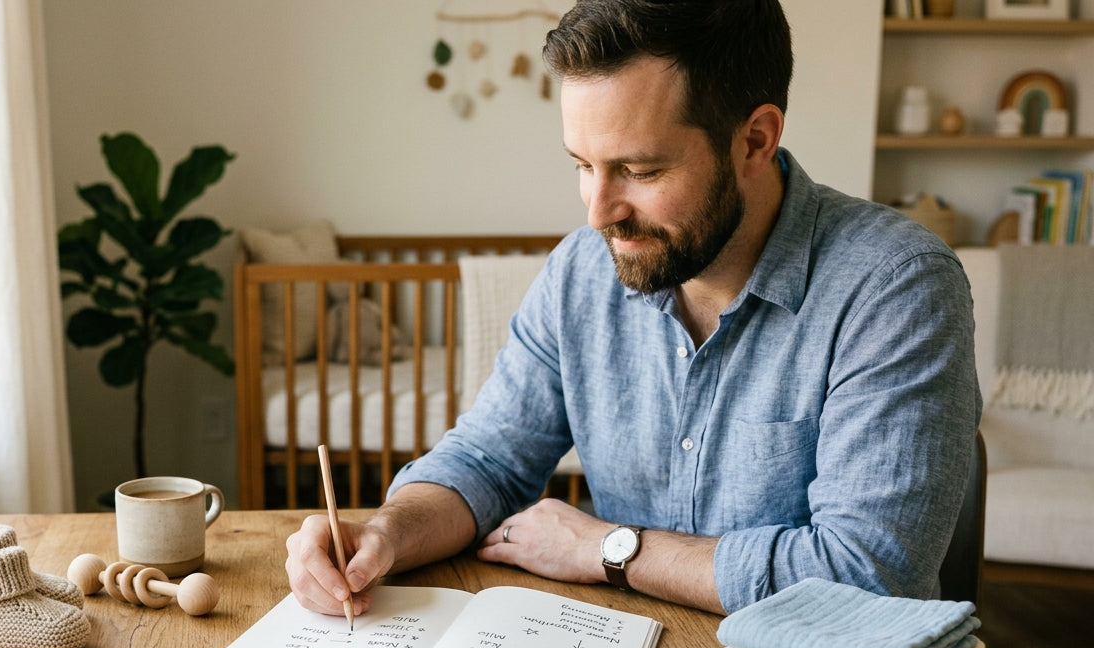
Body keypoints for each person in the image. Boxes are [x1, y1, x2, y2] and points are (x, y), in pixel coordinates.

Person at [286, 0, 980, 617]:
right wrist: (386, 532)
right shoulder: (579, 273)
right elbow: (489, 461)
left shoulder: (896, 285)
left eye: (641, 172)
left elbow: (866, 575)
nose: (598, 213)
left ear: (755, 141)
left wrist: (610, 549)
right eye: (583, 165)